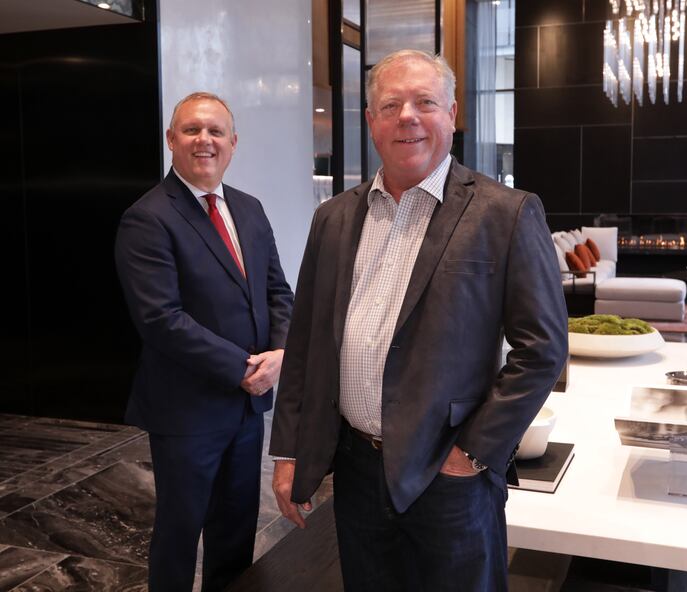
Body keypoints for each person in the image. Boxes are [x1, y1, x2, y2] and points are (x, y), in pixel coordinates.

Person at [270, 50, 568, 591]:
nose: (407, 116)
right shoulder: (333, 218)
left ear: (451, 113)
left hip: (448, 474)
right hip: (357, 471)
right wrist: (290, 452)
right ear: (372, 121)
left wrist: (471, 455)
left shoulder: (507, 213)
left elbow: (542, 351)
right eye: (390, 105)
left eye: (424, 102)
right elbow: (308, 344)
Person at [114, 92, 293, 591]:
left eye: (216, 131)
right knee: (179, 531)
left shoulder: (250, 209)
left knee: (236, 528)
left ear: (233, 143)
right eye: (192, 130)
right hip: (187, 410)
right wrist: (246, 368)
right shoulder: (148, 217)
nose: (204, 140)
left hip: (246, 407)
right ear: (172, 140)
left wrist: (279, 354)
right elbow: (160, 319)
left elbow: (278, 290)